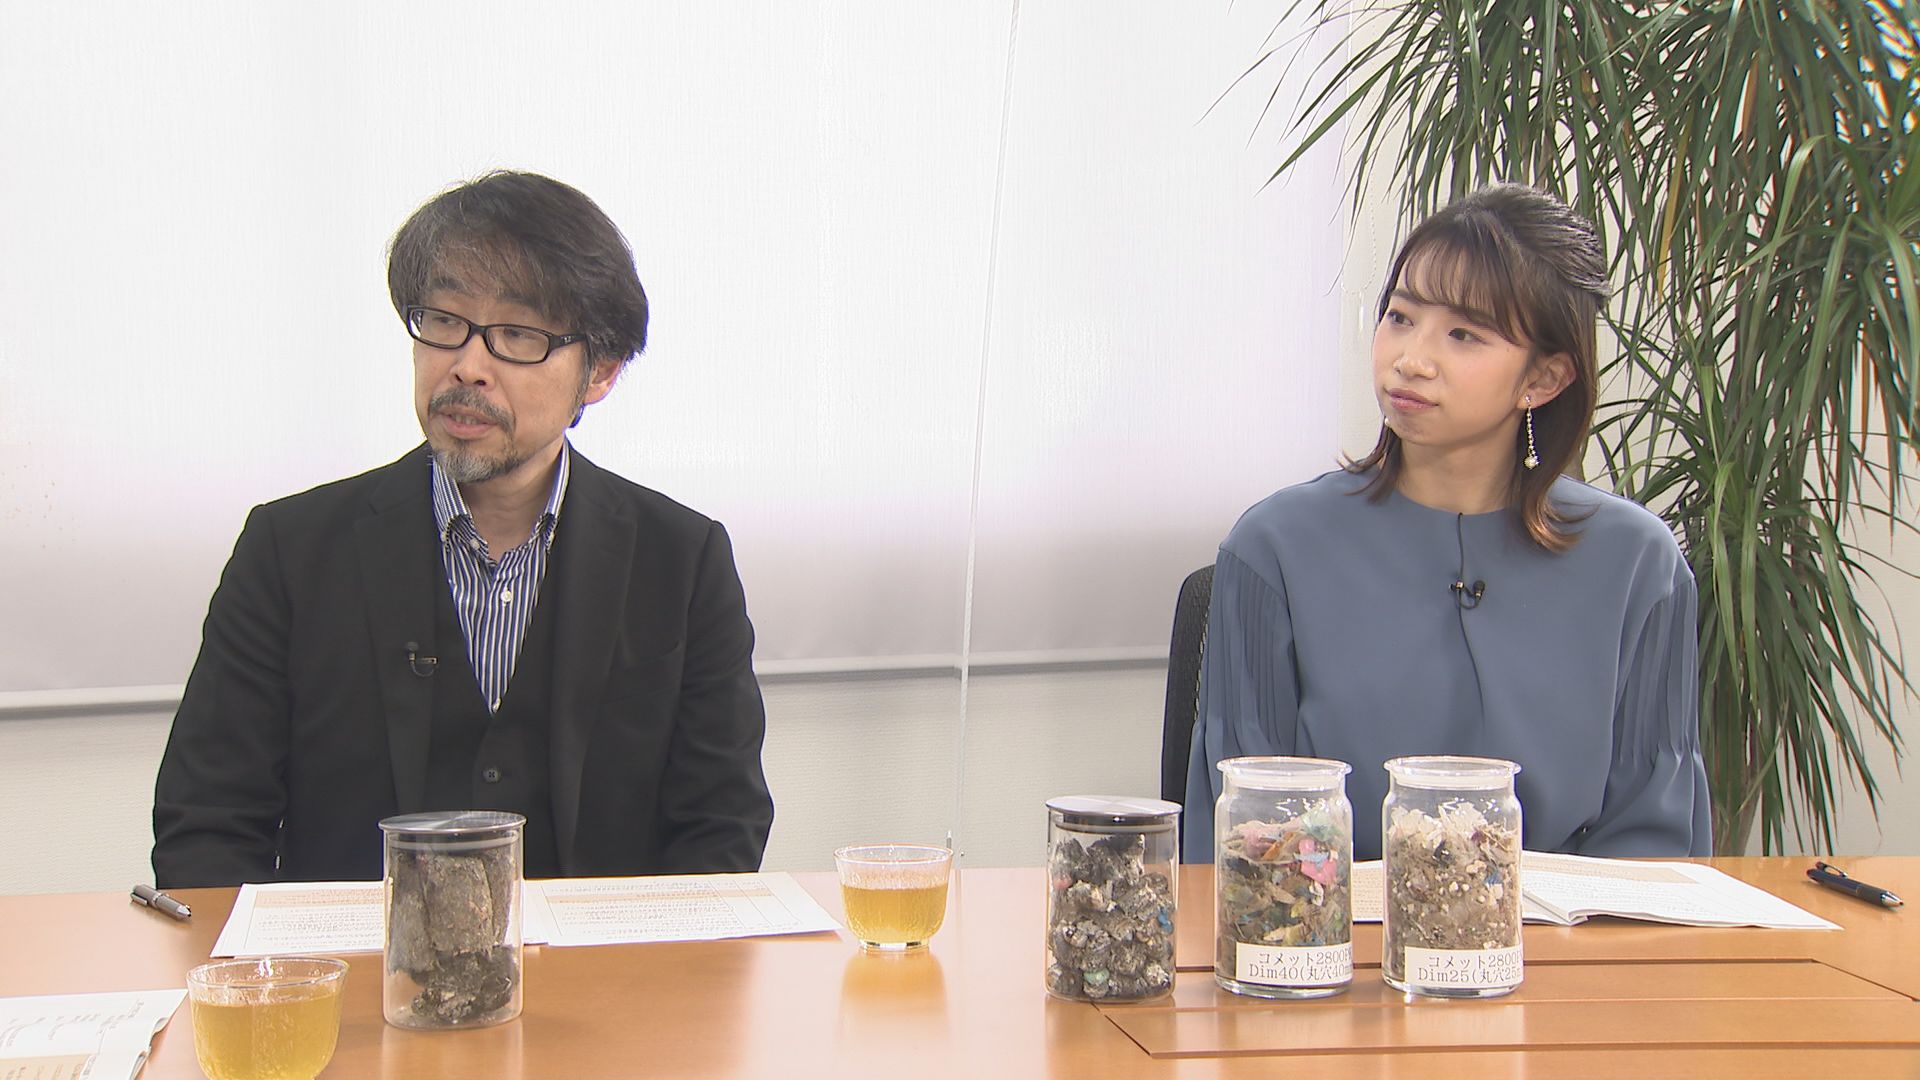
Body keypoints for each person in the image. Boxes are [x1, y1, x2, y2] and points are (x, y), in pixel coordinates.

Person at [153, 171, 774, 887]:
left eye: (517, 335)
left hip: (598, 955)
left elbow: (720, 829)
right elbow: (207, 826)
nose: (467, 367)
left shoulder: (682, 561)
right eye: (445, 322)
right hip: (357, 955)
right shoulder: (289, 551)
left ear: (600, 372)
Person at [1183, 183, 1710, 862]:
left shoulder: (1638, 563)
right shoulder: (1274, 548)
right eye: (1400, 317)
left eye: (1464, 334)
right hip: (1332, 924)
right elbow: (1241, 835)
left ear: (1544, 380)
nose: (1411, 359)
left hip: (1568, 929)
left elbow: (1655, 841)